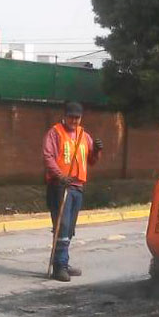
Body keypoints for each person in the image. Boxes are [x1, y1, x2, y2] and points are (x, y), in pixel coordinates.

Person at [43, 101, 103, 281]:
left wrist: (98, 151)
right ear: (65, 115)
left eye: (77, 118)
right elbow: (48, 157)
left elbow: (91, 161)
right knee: (62, 226)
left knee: (70, 229)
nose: (74, 121)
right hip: (60, 186)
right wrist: (60, 176)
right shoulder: (55, 133)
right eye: (71, 117)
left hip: (77, 187)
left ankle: (64, 262)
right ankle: (59, 267)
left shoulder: (84, 135)